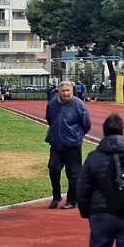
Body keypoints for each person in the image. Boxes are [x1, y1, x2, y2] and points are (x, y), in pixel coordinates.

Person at [77, 113, 124, 247]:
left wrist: (84, 210)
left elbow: (83, 187)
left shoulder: (93, 157)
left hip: (100, 213)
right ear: (122, 131)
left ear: (104, 132)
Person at [45, 80, 92, 210]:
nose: (66, 93)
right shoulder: (52, 104)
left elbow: (86, 124)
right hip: (56, 143)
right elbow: (50, 119)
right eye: (63, 91)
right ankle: (56, 196)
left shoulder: (79, 104)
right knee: (53, 169)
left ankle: (72, 200)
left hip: (73, 145)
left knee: (73, 175)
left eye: (68, 91)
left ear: (72, 91)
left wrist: (76, 136)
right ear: (58, 91)